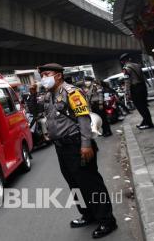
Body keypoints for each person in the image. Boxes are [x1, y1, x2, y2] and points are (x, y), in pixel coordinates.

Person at [34, 63, 117, 239]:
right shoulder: (49, 95)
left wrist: (86, 144)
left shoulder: (72, 92)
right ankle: (88, 214)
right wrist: (33, 94)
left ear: (58, 76)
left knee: (91, 184)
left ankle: (107, 220)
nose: (43, 78)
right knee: (74, 184)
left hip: (77, 145)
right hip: (61, 147)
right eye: (41, 75)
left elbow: (83, 118)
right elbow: (34, 111)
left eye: (46, 74)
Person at [120, 53, 153, 129]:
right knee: (144, 106)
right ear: (129, 59)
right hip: (142, 87)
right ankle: (146, 121)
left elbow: (127, 82)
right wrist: (147, 84)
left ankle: (149, 123)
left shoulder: (126, 68)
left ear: (122, 61)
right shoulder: (138, 65)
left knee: (141, 107)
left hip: (135, 89)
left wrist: (127, 94)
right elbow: (143, 77)